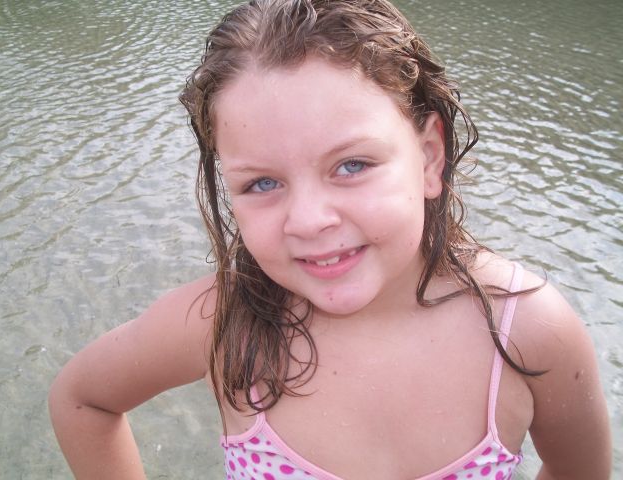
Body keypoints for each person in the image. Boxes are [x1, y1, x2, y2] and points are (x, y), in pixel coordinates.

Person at [48, 1, 612, 479]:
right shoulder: (221, 325)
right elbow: (82, 400)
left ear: (429, 157)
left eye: (352, 165)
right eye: (262, 183)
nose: (309, 220)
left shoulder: (528, 329)